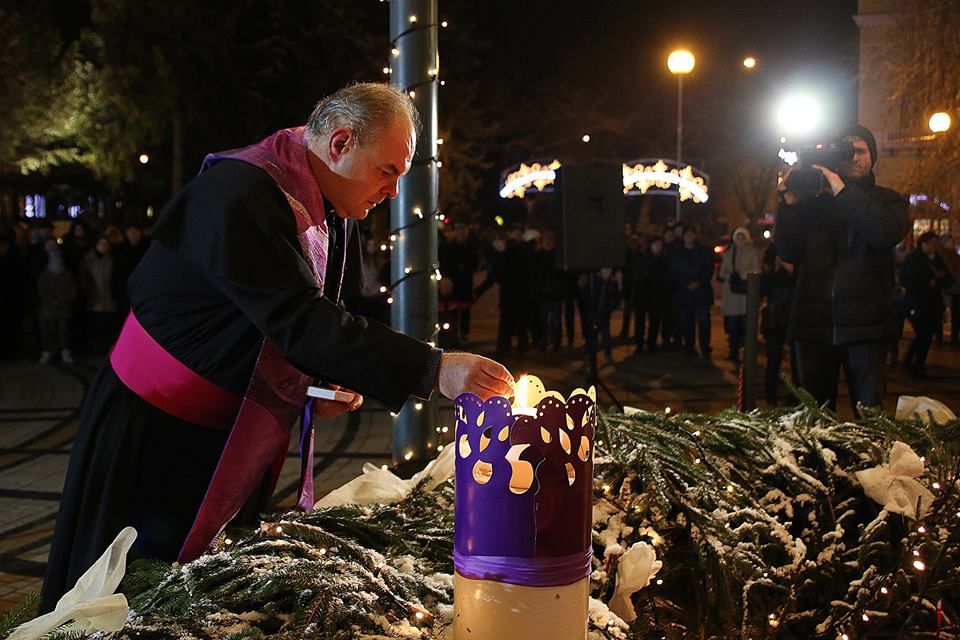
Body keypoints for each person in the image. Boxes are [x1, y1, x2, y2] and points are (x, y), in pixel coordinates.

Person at [40, 83, 514, 612]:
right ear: (339, 144)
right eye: (388, 171)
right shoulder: (242, 192)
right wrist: (435, 368)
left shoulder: (333, 204)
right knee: (123, 598)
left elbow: (311, 322)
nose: (394, 193)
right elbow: (299, 320)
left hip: (223, 431)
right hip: (152, 432)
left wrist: (321, 384)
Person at [775, 123, 909, 410]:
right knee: (815, 419)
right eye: (847, 152)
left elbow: (883, 233)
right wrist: (790, 205)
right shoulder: (814, 202)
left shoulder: (889, 201)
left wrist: (840, 189)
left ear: (873, 157)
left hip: (867, 327)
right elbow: (788, 252)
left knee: (869, 415)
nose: (854, 157)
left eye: (861, 151)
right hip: (813, 323)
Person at [901, 232, 953, 377]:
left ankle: (916, 362)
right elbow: (906, 279)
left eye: (936, 243)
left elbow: (949, 279)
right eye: (931, 243)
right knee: (923, 334)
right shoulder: (914, 259)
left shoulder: (938, 260)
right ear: (923, 244)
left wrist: (939, 280)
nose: (934, 246)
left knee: (926, 335)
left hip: (933, 304)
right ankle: (915, 363)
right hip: (917, 303)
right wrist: (927, 282)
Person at [717, 227, 760, 366]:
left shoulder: (752, 252)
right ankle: (733, 352)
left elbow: (756, 270)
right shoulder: (729, 252)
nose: (740, 239)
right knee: (731, 326)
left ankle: (744, 353)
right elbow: (722, 272)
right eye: (738, 236)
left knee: (743, 326)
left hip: (744, 294)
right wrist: (728, 274)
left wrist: (743, 274)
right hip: (731, 294)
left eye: (742, 237)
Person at [670, 224, 714, 359]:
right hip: (684, 293)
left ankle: (704, 347)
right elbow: (673, 271)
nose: (689, 237)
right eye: (687, 234)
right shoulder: (677, 252)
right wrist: (685, 283)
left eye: (692, 234)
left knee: (704, 321)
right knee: (687, 322)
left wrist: (699, 282)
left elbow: (708, 269)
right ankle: (689, 347)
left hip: (701, 292)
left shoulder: (703, 251)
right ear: (683, 236)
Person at [37, 240, 78, 364]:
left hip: (64, 309)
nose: (57, 261)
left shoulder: (67, 274)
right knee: (49, 332)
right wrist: (52, 300)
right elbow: (42, 290)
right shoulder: (45, 275)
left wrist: (64, 300)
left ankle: (65, 352)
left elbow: (73, 289)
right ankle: (48, 352)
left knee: (64, 332)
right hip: (49, 309)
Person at [939, 234, 960, 345]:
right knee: (941, 314)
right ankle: (940, 337)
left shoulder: (954, 255)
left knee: (956, 314)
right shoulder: (943, 256)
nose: (951, 243)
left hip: (956, 288)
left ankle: (954, 336)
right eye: (949, 241)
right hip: (948, 289)